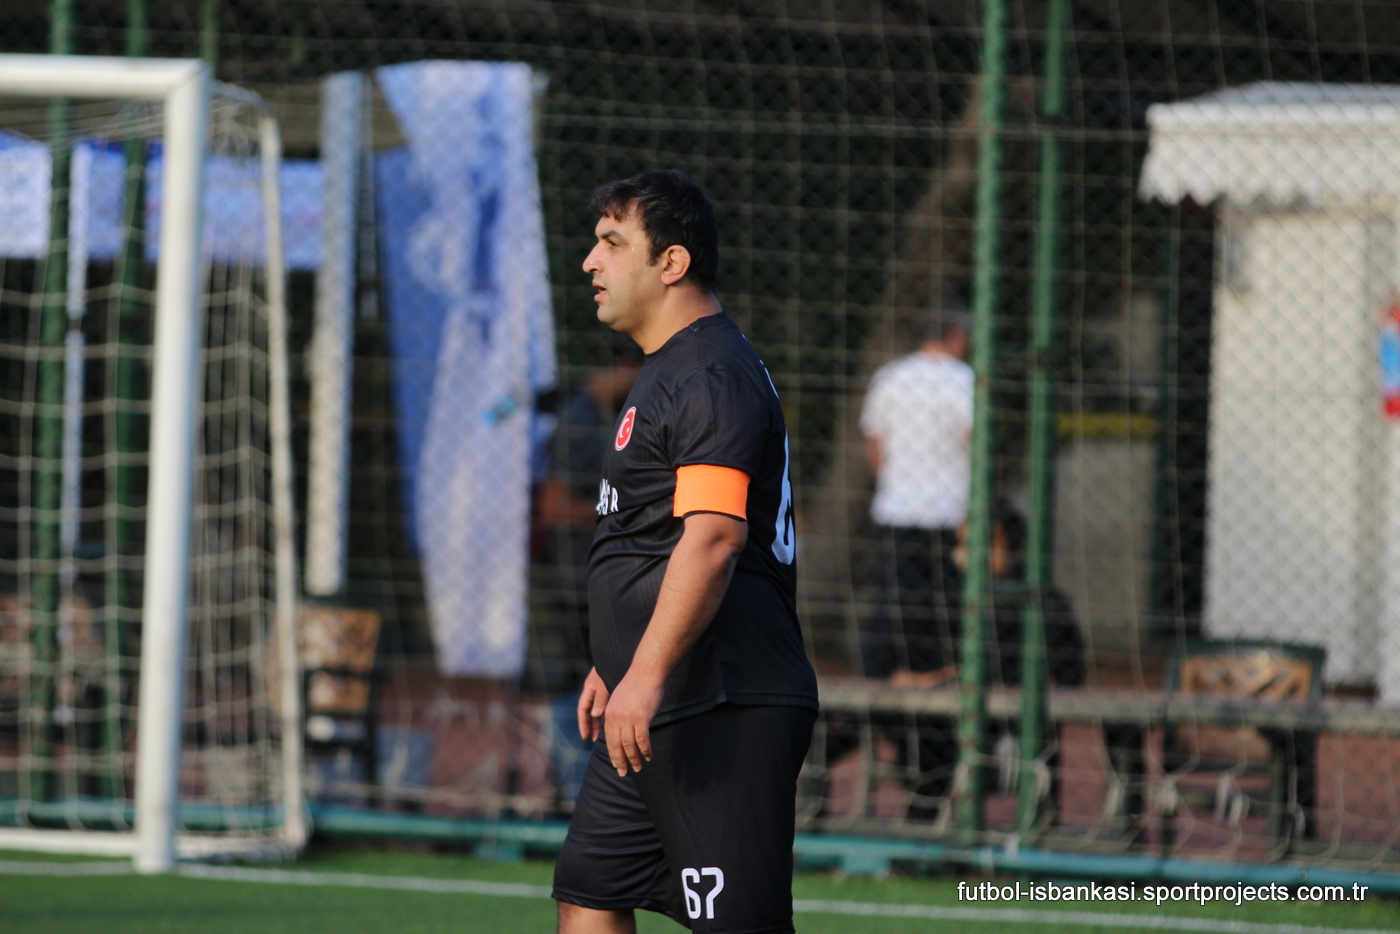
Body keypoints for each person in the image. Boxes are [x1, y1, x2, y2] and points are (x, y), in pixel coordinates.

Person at [552, 170, 818, 934]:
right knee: (590, 893)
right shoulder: (668, 368)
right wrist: (620, 661)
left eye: (612, 243)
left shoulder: (708, 373)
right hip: (656, 696)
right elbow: (654, 536)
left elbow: (713, 538)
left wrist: (644, 673)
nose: (590, 262)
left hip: (721, 700)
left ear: (671, 263)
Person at [531, 343, 641, 810]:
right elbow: (553, 505)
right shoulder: (579, 418)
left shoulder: (603, 417)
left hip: (598, 578)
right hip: (576, 580)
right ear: (626, 367)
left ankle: (583, 791)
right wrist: (619, 516)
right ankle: (577, 793)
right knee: (578, 685)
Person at [858, 306, 974, 683]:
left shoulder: (891, 376)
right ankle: (942, 681)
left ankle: (874, 682)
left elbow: (875, 445)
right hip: (949, 511)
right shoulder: (963, 379)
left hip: (896, 508)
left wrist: (896, 480)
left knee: (891, 601)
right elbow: (972, 439)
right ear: (955, 336)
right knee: (945, 606)